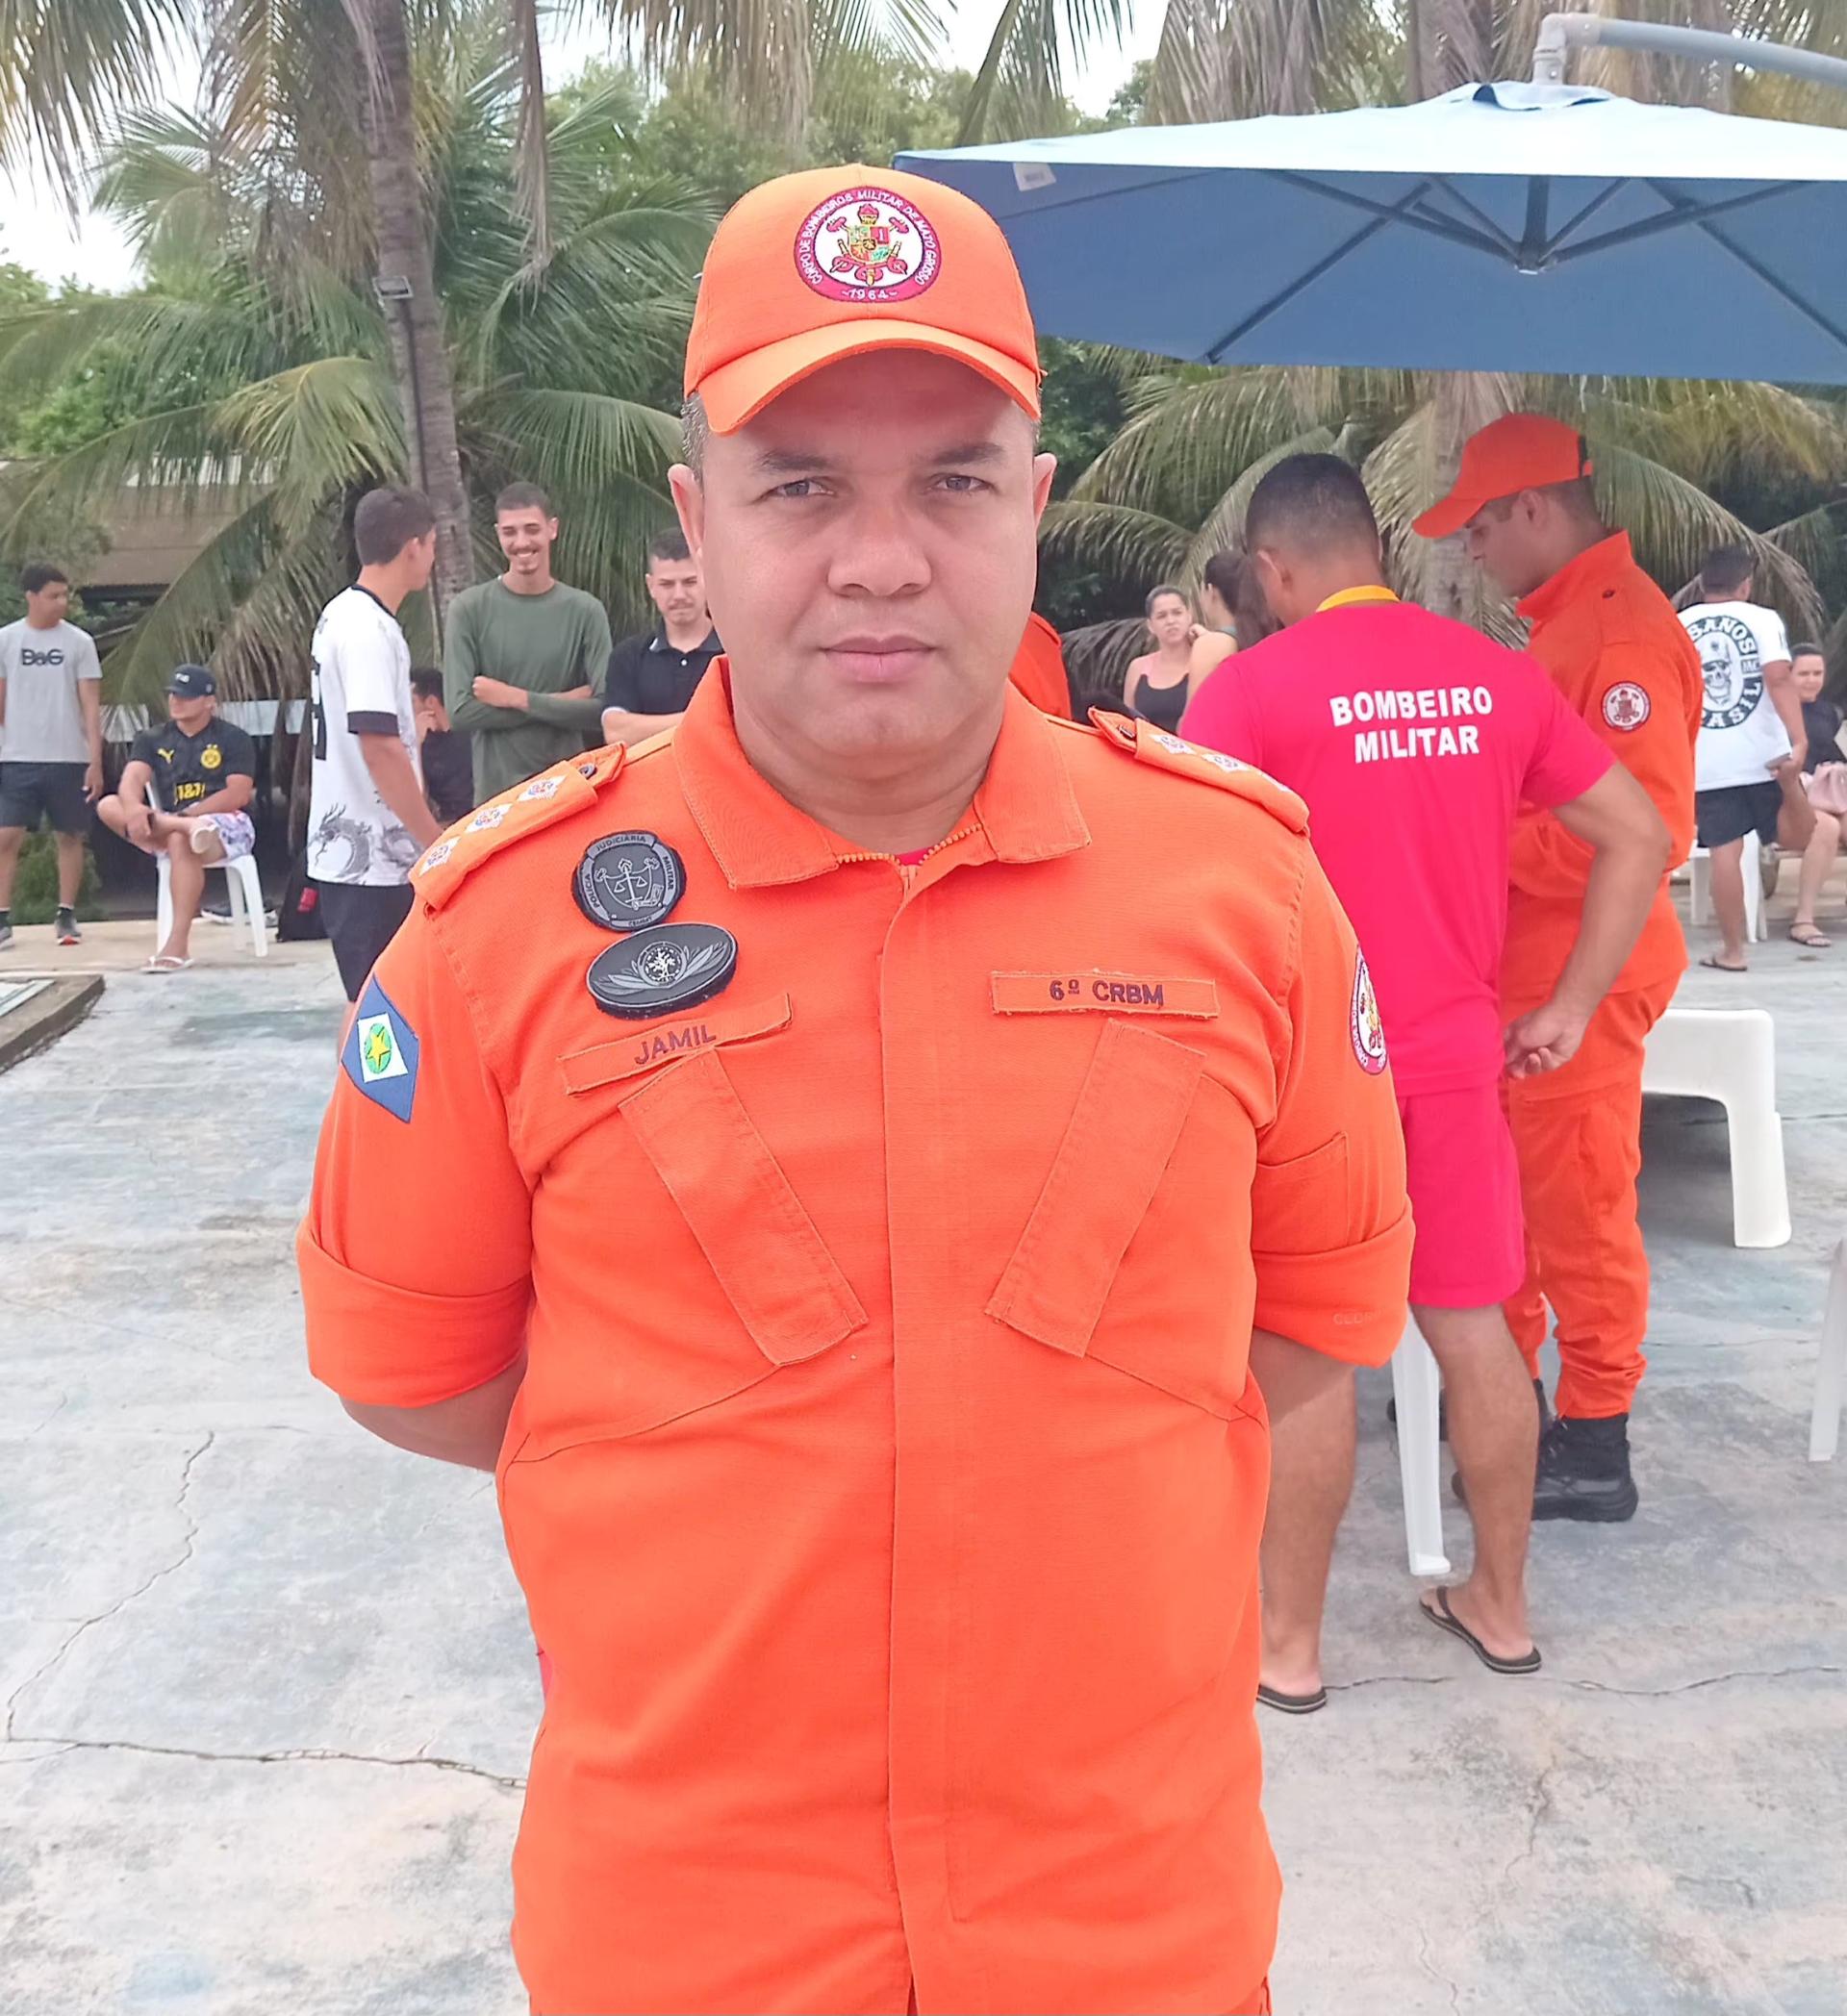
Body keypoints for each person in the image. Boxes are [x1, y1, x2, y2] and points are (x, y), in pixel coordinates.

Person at [299, 163, 1412, 2016]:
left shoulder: (1247, 892)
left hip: (1128, 1938)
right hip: (691, 1950)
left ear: (1035, 507)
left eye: (954, 482)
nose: (881, 559)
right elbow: (422, 1376)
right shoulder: (498, 933)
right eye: (802, 484)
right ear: (698, 520)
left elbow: (1306, 1322)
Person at [1184, 455, 1668, 1701]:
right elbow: (1640, 834)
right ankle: (1499, 1609)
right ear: (1380, 550)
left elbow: (1182, 883)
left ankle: (1290, 1650)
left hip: (1313, 1073)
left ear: (1274, 569)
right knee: (1476, 1331)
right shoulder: (1496, 676)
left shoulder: (1249, 690)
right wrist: (1570, 1005)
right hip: (1458, 1059)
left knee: (1306, 1348)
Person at [1414, 414, 1701, 1524]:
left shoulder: (1614, 636)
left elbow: (1644, 831)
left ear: (1533, 507)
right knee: (1523, 1203)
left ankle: (1593, 1433)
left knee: (1579, 1212)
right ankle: (1510, 1390)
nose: (1474, 548)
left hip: (1582, 975)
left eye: (1482, 527)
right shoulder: (1570, 625)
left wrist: (1474, 836)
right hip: (1536, 974)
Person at [308, 487, 443, 1000]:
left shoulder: (341, 614)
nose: (432, 557)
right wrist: (433, 838)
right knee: (377, 1011)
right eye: (432, 545)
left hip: (361, 854)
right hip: (368, 859)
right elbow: (379, 745)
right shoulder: (368, 629)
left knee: (379, 1006)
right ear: (413, 546)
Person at [1679, 544, 1809, 970]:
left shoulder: (1680, 624)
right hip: (1764, 754)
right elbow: (1778, 678)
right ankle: (1791, 787)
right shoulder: (1762, 619)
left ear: (1703, 583)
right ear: (1746, 585)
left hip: (1709, 760)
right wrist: (1799, 740)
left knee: (1724, 852)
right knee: (1798, 837)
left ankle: (1733, 951)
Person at [444, 484, 614, 802]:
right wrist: (561, 703)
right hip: (497, 801)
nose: (521, 542)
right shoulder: (468, 609)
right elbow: (460, 713)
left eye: (532, 529)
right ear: (498, 534)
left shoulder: (586, 610)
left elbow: (604, 710)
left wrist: (516, 698)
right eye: (510, 532)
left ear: (552, 529)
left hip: (567, 792)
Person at [95, 666, 258, 971]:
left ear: (209, 701)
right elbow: (132, 779)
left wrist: (186, 816)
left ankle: (178, 945)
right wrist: (135, 809)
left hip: (224, 824)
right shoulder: (152, 738)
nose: (175, 701)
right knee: (109, 805)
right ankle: (179, 827)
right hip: (170, 823)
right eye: (172, 694)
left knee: (179, 837)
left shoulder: (233, 738)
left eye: (186, 696)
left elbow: (238, 794)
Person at [0, 563, 104, 950]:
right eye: (53, 596)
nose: (61, 602)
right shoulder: (7, 640)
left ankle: (66, 913)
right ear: (31, 596)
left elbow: (90, 704)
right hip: (17, 756)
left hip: (68, 756)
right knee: (6, 835)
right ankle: (2, 917)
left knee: (70, 834)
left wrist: (95, 760)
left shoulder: (79, 643)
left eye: (64, 595)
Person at [598, 530, 722, 746]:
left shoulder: (735, 651)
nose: (679, 595)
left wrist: (646, 727)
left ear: (707, 578)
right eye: (667, 584)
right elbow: (616, 732)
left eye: (690, 582)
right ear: (651, 586)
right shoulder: (628, 655)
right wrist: (707, 719)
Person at [1791, 643, 1845, 945]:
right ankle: (1804, 918)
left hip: (1825, 791)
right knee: (1826, 827)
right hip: (1789, 795)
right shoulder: (1774, 713)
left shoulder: (1827, 712)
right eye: (1804, 674)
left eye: (1817, 673)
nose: (1812, 680)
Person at [1121, 583, 1227, 730]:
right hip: (1147, 744)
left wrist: (1204, 637)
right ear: (1150, 625)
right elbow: (1126, 724)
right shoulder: (1138, 668)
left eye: (1177, 613)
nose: (1171, 621)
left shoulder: (1206, 662)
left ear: (1189, 616)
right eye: (1161, 616)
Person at [409, 668, 474, 827]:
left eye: (412, 702)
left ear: (431, 702)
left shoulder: (471, 732)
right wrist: (417, 744)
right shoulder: (421, 745)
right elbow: (417, 800)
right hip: (447, 824)